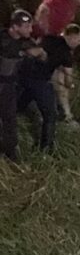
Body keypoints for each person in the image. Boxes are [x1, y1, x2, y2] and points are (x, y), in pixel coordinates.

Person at [18, 24, 80, 152]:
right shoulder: (66, 54)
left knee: (20, 102)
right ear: (71, 36)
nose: (79, 43)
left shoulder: (48, 38)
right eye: (79, 40)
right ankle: (46, 148)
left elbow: (34, 48)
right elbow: (68, 78)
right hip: (40, 81)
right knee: (50, 115)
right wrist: (70, 84)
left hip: (23, 76)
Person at [34, 0, 80, 122]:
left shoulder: (73, 4)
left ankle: (64, 112)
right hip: (46, 40)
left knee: (58, 77)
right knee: (53, 77)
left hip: (58, 41)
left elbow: (66, 23)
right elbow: (42, 12)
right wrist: (44, 34)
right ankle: (55, 112)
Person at [0, 10, 45, 162]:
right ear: (14, 27)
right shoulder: (3, 38)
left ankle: (9, 152)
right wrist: (22, 54)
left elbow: (41, 53)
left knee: (10, 119)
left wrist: (36, 52)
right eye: (26, 27)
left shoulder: (26, 42)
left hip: (9, 87)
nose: (30, 30)